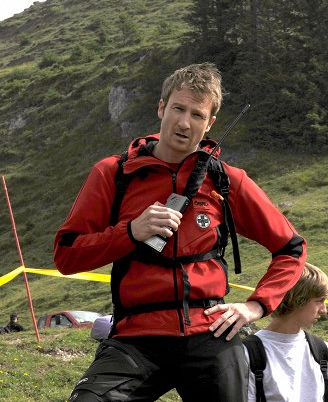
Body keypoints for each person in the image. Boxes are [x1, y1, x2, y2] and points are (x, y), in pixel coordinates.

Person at [54, 63, 307, 402]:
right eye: (178, 109)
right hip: (136, 337)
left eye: (197, 115)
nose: (185, 123)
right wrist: (130, 232)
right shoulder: (112, 174)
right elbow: (67, 255)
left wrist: (255, 307)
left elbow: (290, 249)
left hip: (211, 333)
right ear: (161, 107)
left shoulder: (227, 180)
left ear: (210, 123)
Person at [244, 262, 328, 402]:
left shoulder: (324, 352)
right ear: (298, 299)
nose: (324, 310)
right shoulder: (248, 353)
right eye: (319, 301)